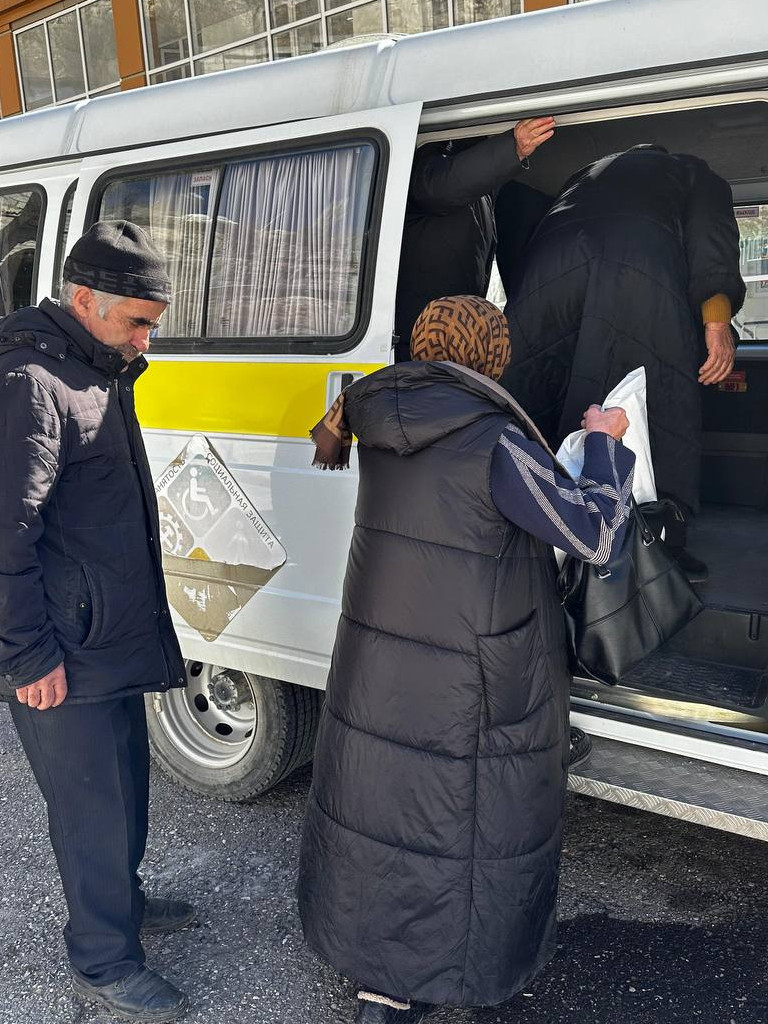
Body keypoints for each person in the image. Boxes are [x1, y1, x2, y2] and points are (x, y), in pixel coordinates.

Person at [299, 295, 635, 1024]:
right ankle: (435, 976)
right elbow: (595, 535)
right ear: (494, 357)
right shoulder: (495, 442)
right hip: (468, 674)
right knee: (458, 822)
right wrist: (605, 443)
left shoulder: (378, 416)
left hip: (383, 660)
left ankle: (381, 985)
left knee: (385, 807)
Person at [0, 221, 192, 1023]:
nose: (147, 340)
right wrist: (28, 657)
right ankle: (103, 960)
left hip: (105, 635)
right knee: (89, 809)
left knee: (126, 787)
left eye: (153, 323)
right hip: (60, 649)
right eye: (138, 322)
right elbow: (7, 532)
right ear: (85, 300)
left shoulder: (95, 368)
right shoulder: (30, 381)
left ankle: (124, 902)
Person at [500, 145, 746, 581]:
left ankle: (545, 544)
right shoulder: (694, 171)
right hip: (640, 264)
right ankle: (658, 548)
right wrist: (716, 321)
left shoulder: (583, 176)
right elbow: (711, 237)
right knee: (660, 402)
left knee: (547, 394)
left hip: (549, 267)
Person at [393, 117, 555, 361]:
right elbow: (437, 188)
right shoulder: (426, 156)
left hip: (452, 340)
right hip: (421, 343)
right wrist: (512, 147)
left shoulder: (482, 195)